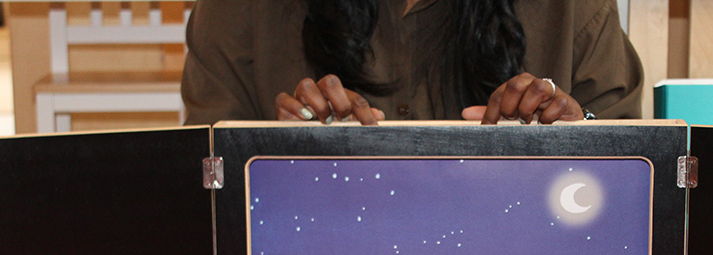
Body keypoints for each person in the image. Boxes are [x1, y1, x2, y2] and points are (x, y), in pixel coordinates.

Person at [181, 0, 643, 126]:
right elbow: (199, 210)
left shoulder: (573, 10)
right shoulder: (237, 11)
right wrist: (272, 159)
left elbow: (637, 198)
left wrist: (579, 141)